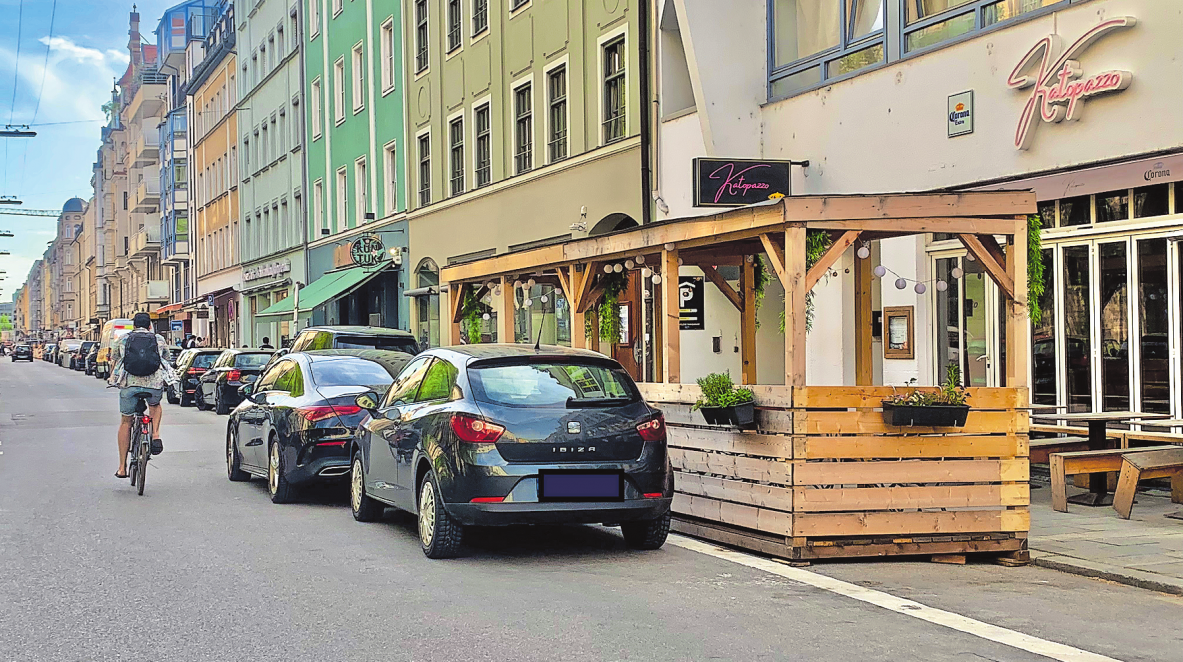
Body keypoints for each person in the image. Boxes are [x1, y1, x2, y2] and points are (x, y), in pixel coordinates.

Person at [109, 312, 177, 479]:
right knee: (155, 406)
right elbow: (166, 358)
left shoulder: (124, 339)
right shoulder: (158, 339)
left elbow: (115, 359)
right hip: (153, 384)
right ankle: (155, 435)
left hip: (129, 384)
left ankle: (122, 467)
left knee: (126, 421)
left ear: (133, 325)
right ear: (149, 326)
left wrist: (114, 377)